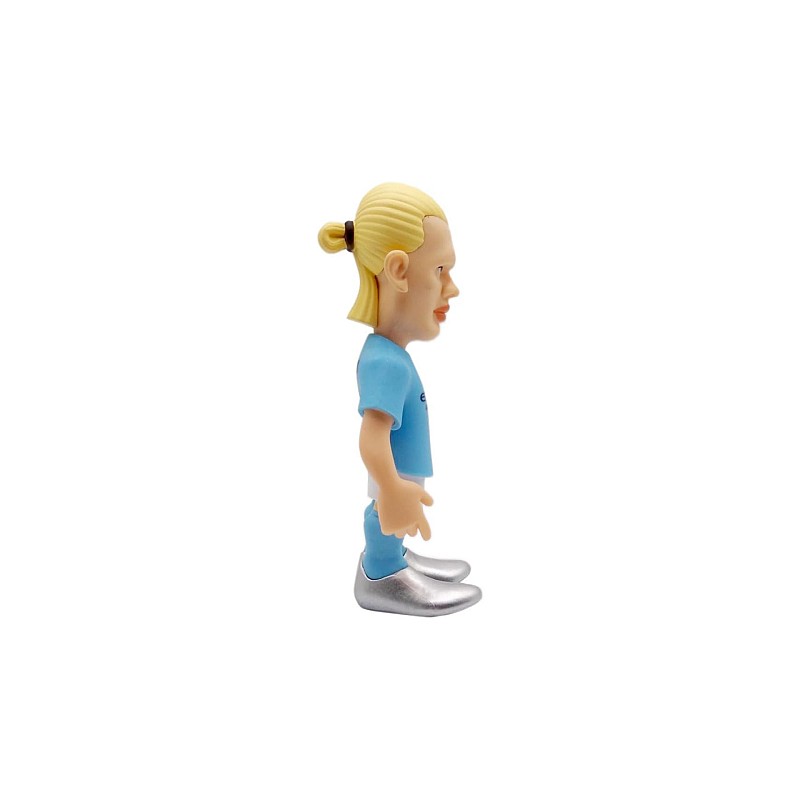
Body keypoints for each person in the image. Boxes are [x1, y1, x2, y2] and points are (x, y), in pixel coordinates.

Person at [318, 182, 482, 616]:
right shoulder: (385, 363)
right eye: (440, 270)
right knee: (384, 514)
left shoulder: (390, 356)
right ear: (398, 271)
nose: (452, 289)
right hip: (396, 477)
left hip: (402, 474)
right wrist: (391, 487)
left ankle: (395, 557)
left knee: (393, 518)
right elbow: (371, 437)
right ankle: (381, 572)